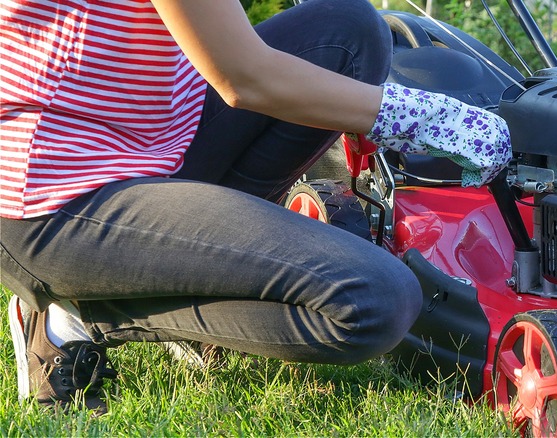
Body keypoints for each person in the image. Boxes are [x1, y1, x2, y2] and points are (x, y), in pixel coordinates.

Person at [0, 0, 512, 414]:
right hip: (53, 195)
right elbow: (245, 77)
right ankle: (71, 319)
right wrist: (421, 117)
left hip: (157, 136)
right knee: (375, 300)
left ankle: (214, 265)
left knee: (347, 31)